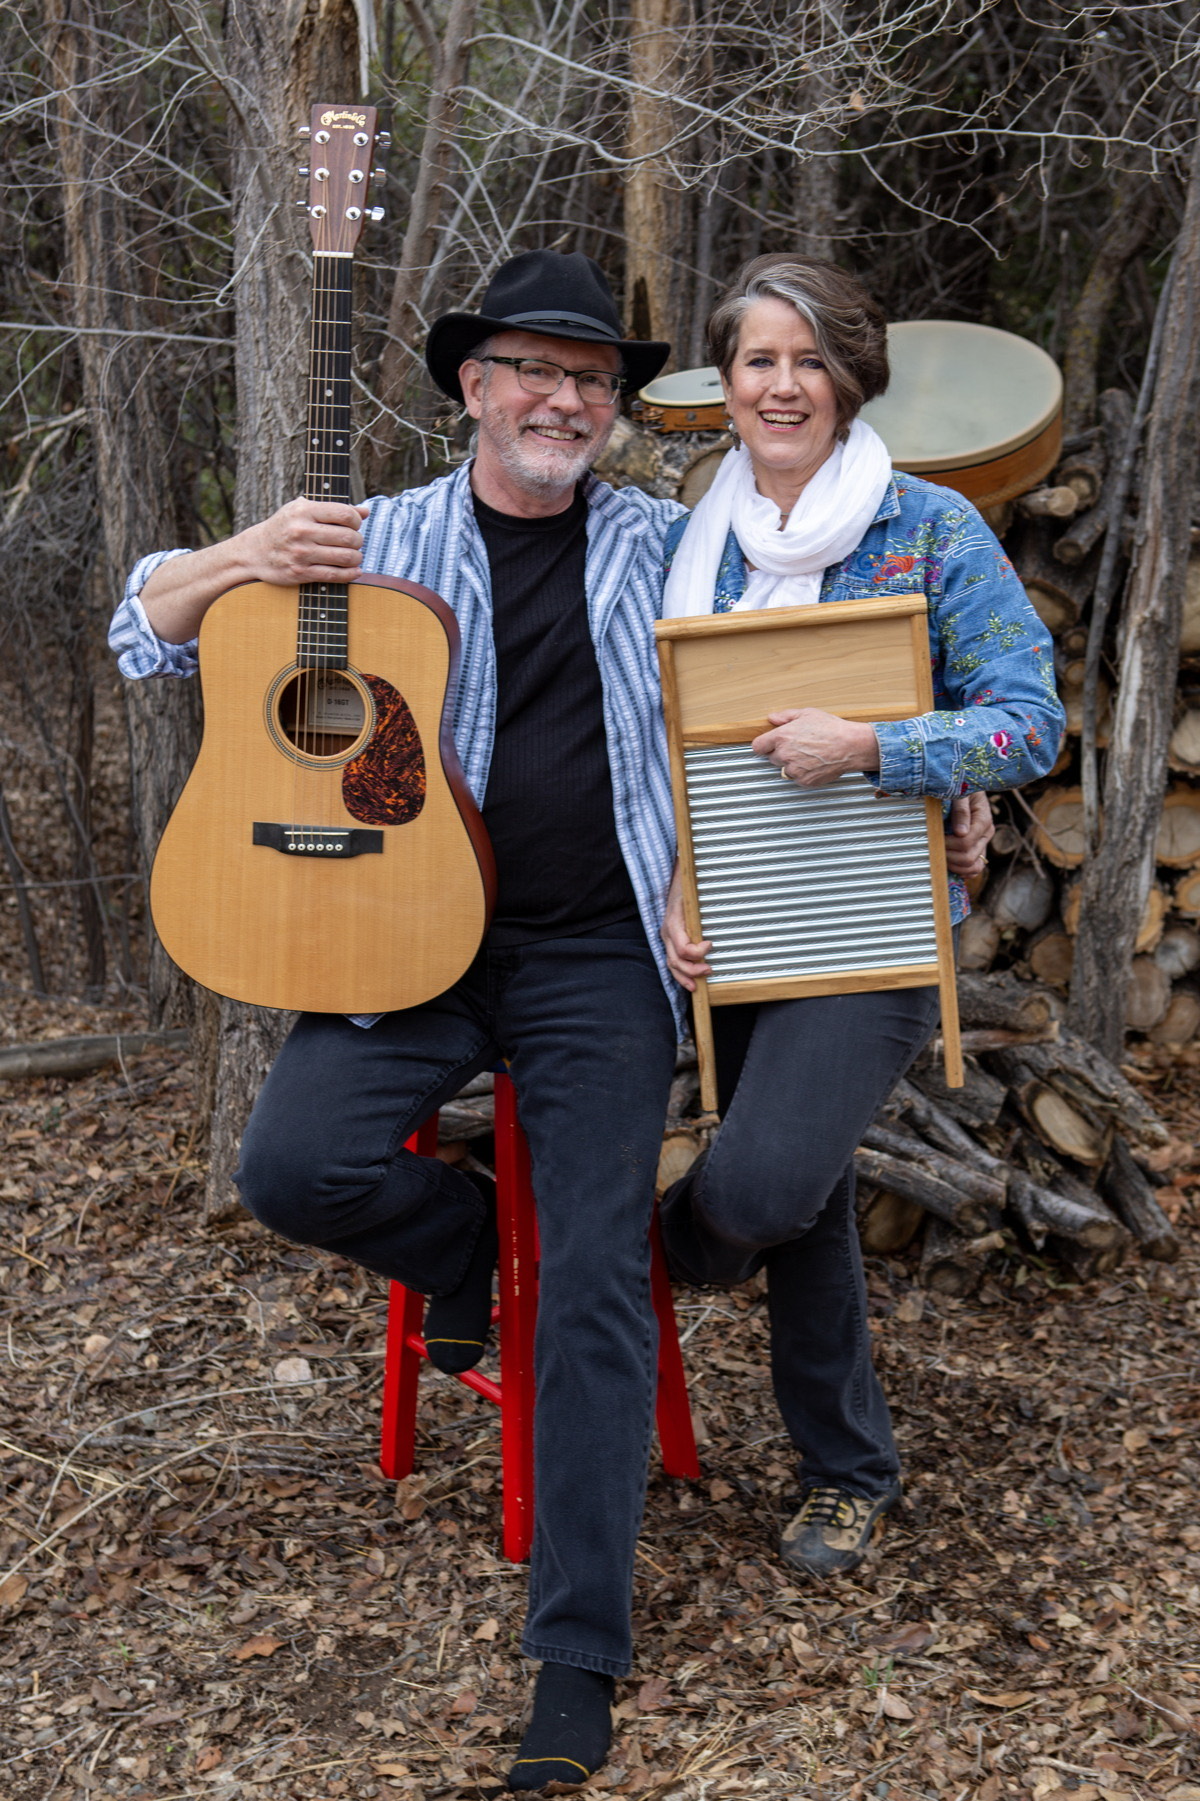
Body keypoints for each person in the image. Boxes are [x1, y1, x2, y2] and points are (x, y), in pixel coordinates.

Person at [110, 248, 995, 1789]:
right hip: (409, 936)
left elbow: (816, 646)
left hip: (599, 955)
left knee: (592, 1270)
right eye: (532, 370)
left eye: (590, 380)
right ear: (472, 386)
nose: (563, 400)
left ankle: (575, 1650)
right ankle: (467, 1254)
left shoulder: (675, 542)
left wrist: (946, 774)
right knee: (288, 1166)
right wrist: (245, 550)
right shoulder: (366, 545)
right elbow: (146, 628)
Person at [658, 254, 1065, 1583]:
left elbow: (1028, 717)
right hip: (733, 931)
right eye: (759, 359)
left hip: (877, 922)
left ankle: (620, 1270)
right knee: (811, 1198)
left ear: (851, 377)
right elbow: (648, 737)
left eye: (808, 358)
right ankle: (847, 1470)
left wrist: (881, 747)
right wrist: (676, 873)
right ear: (726, 384)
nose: (784, 384)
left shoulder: (930, 530)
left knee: (762, 1184)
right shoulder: (686, 543)